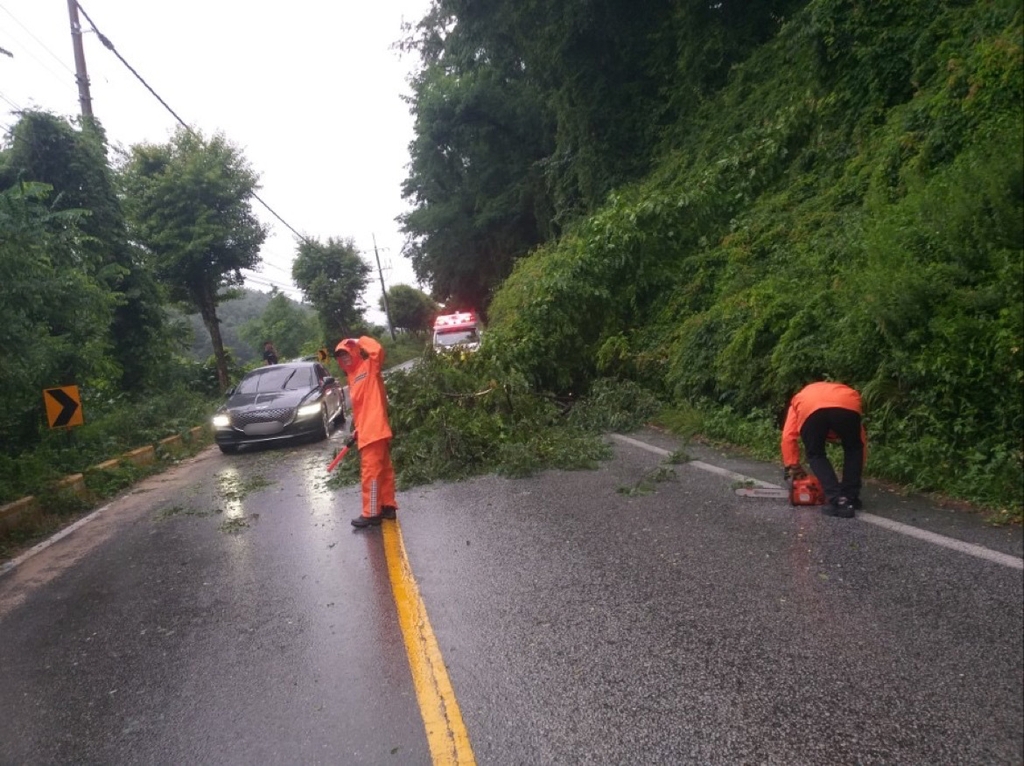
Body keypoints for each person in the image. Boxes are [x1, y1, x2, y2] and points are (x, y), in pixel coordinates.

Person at [334, 336, 397, 528]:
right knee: (384, 471)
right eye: (340, 357)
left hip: (374, 430)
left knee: (370, 473)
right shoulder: (352, 378)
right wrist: (357, 429)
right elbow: (362, 408)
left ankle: (371, 513)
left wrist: (359, 339)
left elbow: (377, 350)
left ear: (354, 351)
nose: (344, 359)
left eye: (346, 354)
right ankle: (387, 507)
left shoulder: (369, 367)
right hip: (371, 430)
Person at [781, 381, 867, 518]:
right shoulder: (840, 395)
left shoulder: (800, 399)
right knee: (853, 449)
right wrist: (854, 478)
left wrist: (792, 464)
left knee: (816, 454)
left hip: (810, 407)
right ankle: (850, 498)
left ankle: (836, 499)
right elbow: (860, 446)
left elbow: (788, 437)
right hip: (848, 403)